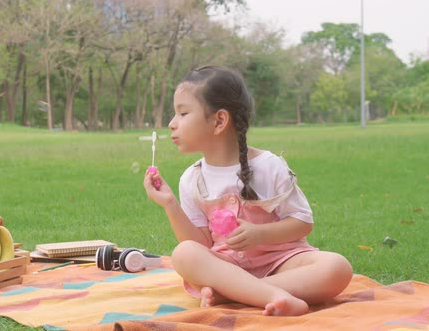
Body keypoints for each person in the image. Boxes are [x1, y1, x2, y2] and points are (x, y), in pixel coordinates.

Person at [143, 66, 353, 316]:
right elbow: (200, 243)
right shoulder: (192, 178)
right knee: (184, 253)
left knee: (337, 267)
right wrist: (170, 204)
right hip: (227, 267)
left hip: (282, 263)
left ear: (219, 120)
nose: (171, 124)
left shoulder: (269, 166)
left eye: (183, 113)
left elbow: (302, 223)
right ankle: (270, 295)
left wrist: (259, 234)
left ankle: (236, 294)